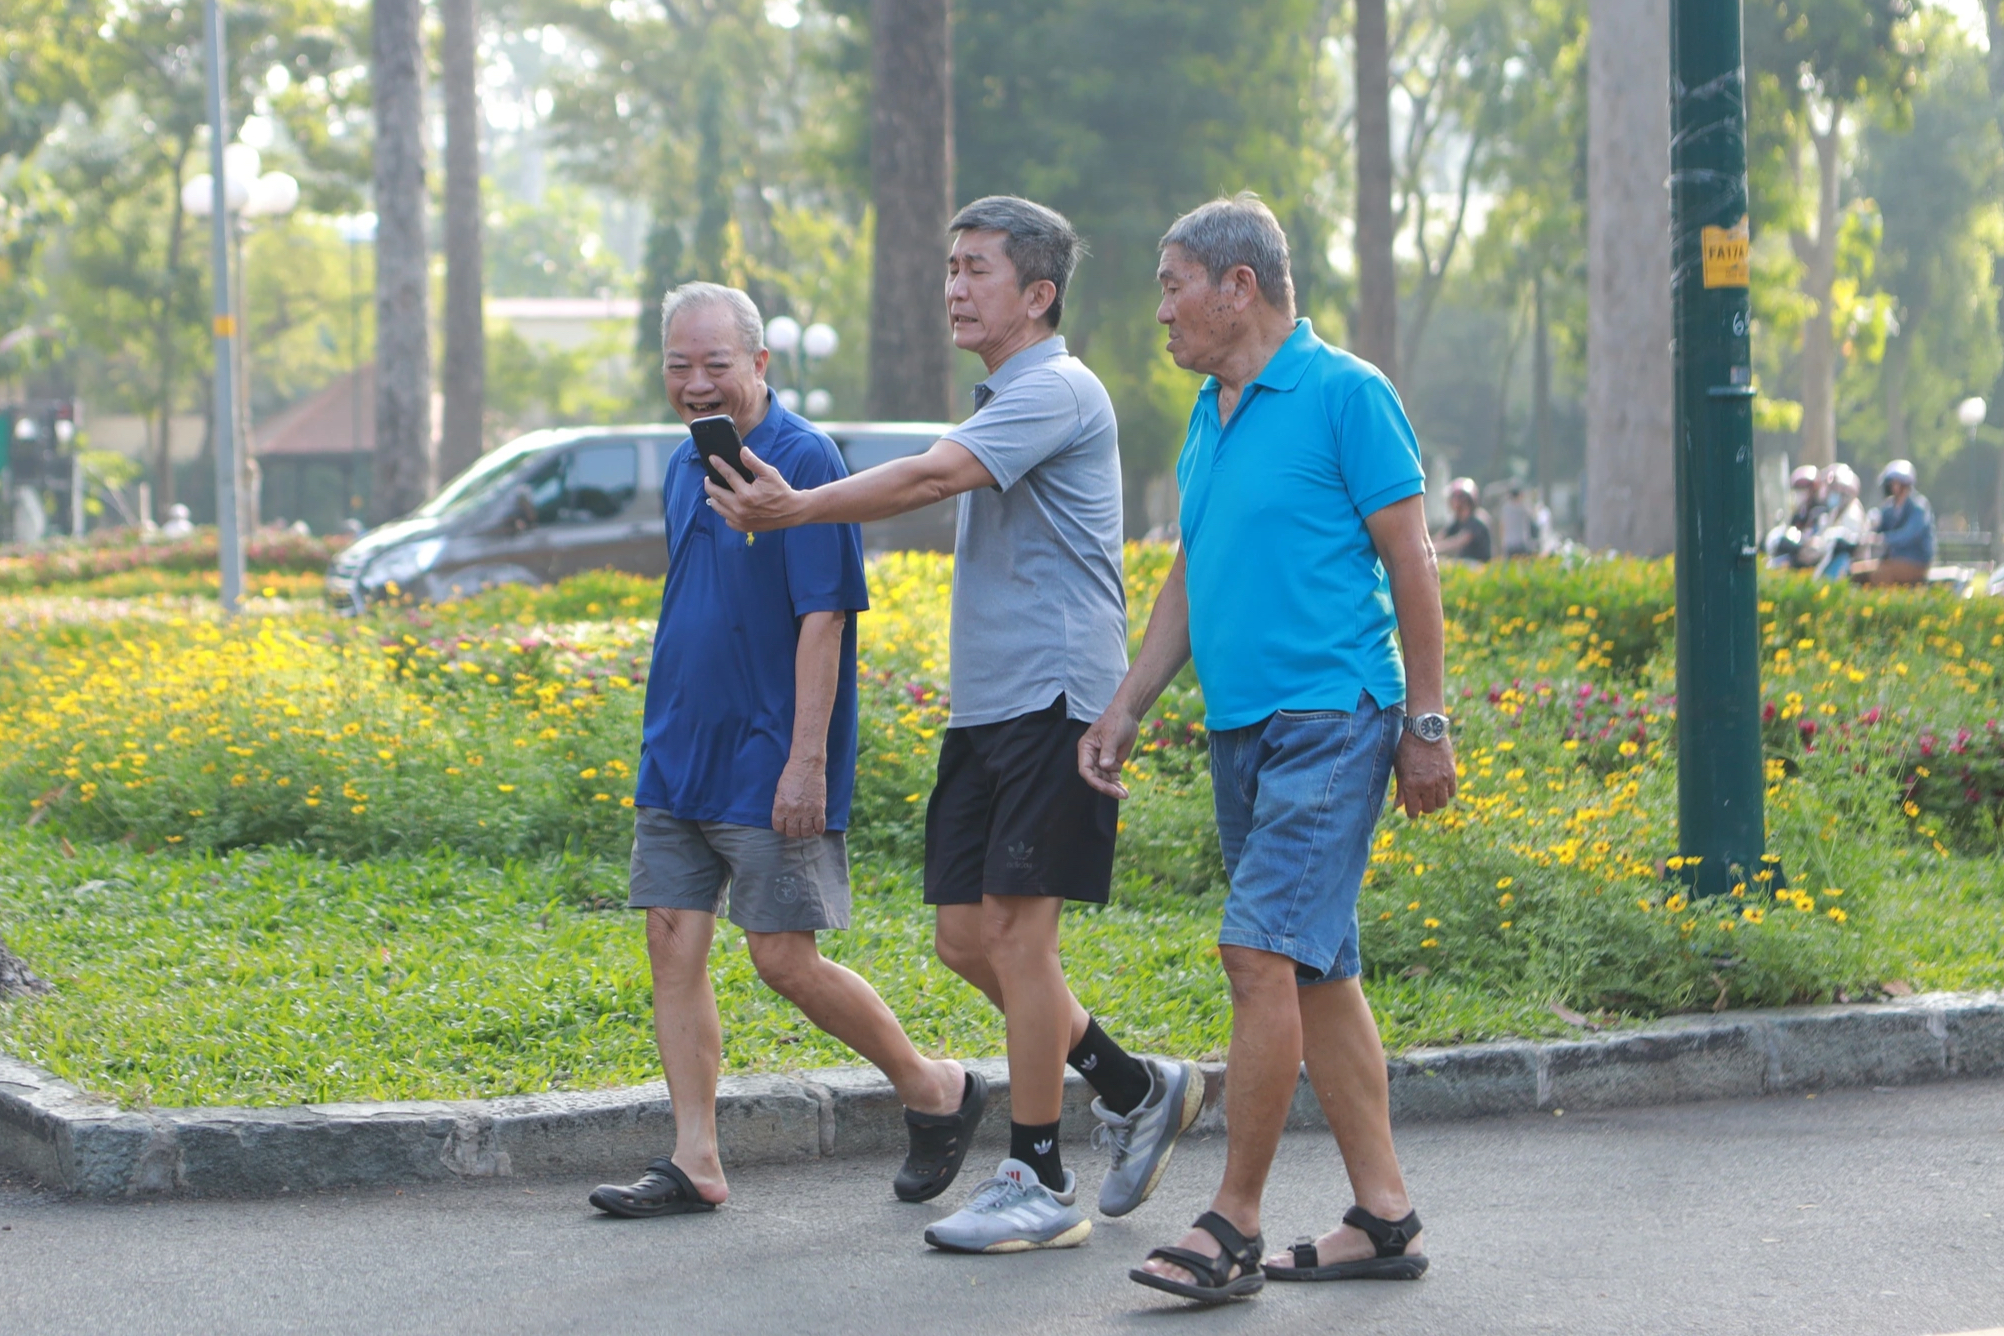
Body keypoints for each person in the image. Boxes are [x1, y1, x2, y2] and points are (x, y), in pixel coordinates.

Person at [704, 197, 1200, 1253]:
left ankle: (1037, 1173)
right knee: (966, 940)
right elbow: (938, 471)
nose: (955, 286)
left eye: (977, 269)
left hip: (1057, 702)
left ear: (1038, 294)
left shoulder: (1056, 389)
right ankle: (1134, 1086)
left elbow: (930, 476)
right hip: (992, 708)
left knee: (1020, 937)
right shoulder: (1005, 395)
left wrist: (796, 507)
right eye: (951, 267)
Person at [1080, 194, 1453, 1304]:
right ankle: (1383, 1215)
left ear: (1238, 286)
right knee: (1318, 971)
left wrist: (1426, 722)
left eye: (1172, 283)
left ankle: (1231, 1223)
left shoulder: (1347, 393)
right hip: (1242, 729)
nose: (1162, 310)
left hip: (1333, 719)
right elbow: (1194, 575)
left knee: (1257, 956)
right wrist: (1129, 703)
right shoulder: (1212, 411)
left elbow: (1412, 559)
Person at [587, 283, 981, 1220]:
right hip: (679, 750)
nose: (695, 384)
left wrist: (806, 762)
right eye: (679, 366)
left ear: (760, 365)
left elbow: (824, 623)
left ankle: (935, 1088)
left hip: (767, 756)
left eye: (715, 365)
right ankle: (696, 1160)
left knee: (783, 958)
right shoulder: (691, 465)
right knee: (670, 939)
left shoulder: (806, 463)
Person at [1850, 458, 1934, 586]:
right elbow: (1879, 528)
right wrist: (1870, 531)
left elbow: (1909, 534)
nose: (1893, 486)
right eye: (1891, 483)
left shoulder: (1919, 507)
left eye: (1896, 482)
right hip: (1892, 560)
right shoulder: (1889, 508)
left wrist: (1883, 539)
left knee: (1881, 573)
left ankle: (1884, 604)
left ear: (1906, 483)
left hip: (1916, 562)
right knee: (1856, 571)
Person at [1807, 463, 1864, 580]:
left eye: (1835, 489)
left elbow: (1848, 540)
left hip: (1848, 562)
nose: (1831, 493)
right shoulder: (1835, 512)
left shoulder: (1853, 513)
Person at [1432, 477, 1491, 563]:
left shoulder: (1478, 520)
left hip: (1480, 566)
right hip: (1466, 564)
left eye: (1455, 498)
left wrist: (1434, 549)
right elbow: (1440, 536)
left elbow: (1458, 541)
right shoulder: (1457, 521)